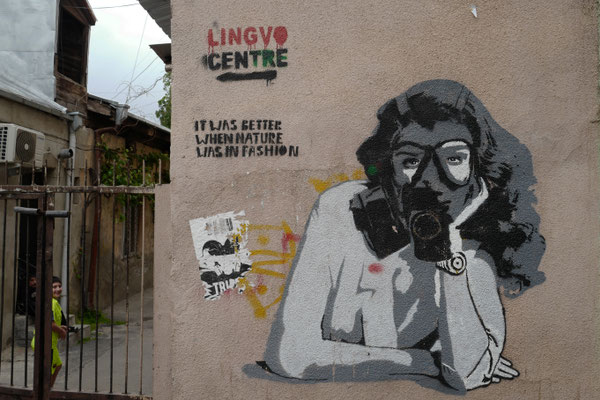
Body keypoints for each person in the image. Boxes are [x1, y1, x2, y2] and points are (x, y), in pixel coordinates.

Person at [262, 80, 545, 392]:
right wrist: (424, 362)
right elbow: (290, 355)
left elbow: (468, 375)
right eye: (410, 160)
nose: (430, 179)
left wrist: (453, 263)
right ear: (388, 166)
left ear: (478, 164)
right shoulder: (341, 209)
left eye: (454, 159)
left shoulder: (477, 246)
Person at [32, 276, 67, 387]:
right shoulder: (51, 303)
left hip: (47, 342)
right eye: (54, 287)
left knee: (56, 366)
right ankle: (45, 391)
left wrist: (60, 327)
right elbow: (50, 324)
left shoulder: (51, 302)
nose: (58, 289)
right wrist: (61, 331)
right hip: (46, 343)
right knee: (49, 371)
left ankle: (47, 390)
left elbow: (50, 321)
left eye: (59, 286)